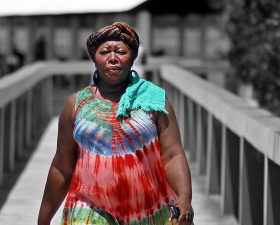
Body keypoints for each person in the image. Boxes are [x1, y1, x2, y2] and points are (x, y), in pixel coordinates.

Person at [38, 22, 194, 225]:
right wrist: (43, 219)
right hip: (88, 209)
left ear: (133, 58)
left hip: (147, 210)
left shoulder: (154, 100)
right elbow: (62, 167)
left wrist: (184, 198)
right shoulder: (75, 105)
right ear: (95, 59)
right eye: (104, 52)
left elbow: (173, 155)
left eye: (121, 51)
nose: (113, 58)